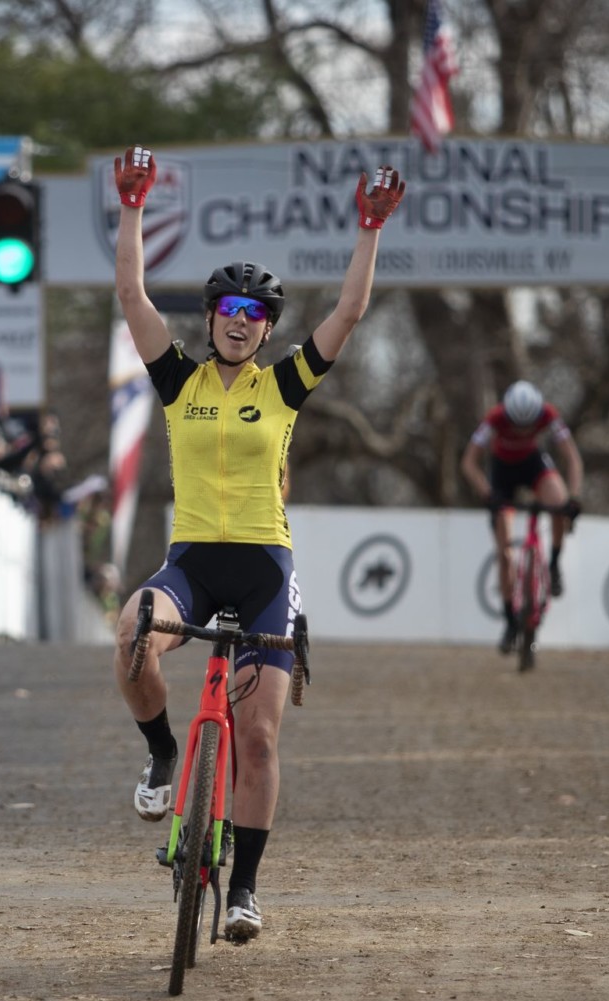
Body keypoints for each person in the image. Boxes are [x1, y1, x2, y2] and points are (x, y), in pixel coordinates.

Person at [110, 143, 405, 942]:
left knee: (261, 736)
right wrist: (134, 205)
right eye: (227, 314)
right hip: (193, 566)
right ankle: (164, 756)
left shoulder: (285, 386)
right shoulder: (179, 380)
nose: (240, 326)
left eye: (255, 317)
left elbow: (348, 315)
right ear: (209, 321)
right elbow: (132, 292)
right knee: (134, 636)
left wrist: (369, 229)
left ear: (267, 330)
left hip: (267, 571)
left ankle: (243, 890)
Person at [460, 380, 583, 652]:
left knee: (559, 503)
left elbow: (572, 458)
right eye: (517, 425)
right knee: (504, 552)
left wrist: (573, 498)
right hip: (502, 471)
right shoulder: (495, 418)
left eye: (529, 427)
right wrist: (487, 495)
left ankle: (554, 562)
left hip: (532, 464)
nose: (523, 430)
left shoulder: (548, 414)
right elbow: (469, 462)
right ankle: (509, 622)